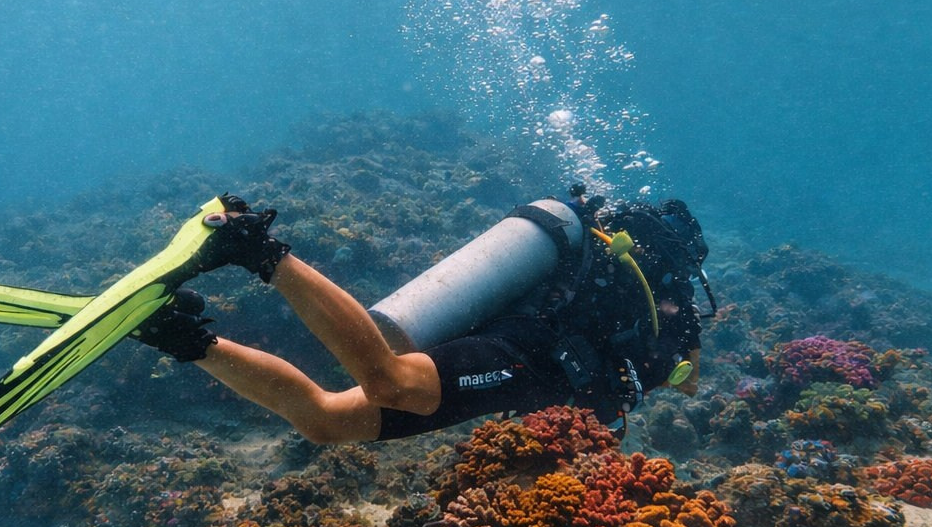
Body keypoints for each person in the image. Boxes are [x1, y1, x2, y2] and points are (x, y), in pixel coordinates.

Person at [135, 190, 711, 444]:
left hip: (522, 353)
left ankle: (181, 336)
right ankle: (255, 249)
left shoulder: (639, 287)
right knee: (390, 382)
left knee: (325, 422)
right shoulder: (678, 313)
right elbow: (688, 381)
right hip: (530, 354)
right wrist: (680, 344)